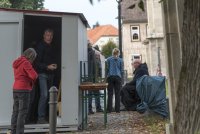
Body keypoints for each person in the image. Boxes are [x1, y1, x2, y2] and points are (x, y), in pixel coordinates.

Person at [11, 48, 38, 134]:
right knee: (22, 113)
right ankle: (19, 132)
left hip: (15, 89)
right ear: (31, 56)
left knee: (15, 111)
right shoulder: (26, 63)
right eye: (33, 58)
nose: (33, 61)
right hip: (23, 90)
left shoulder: (17, 62)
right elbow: (34, 76)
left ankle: (13, 131)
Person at [35, 29, 57, 123]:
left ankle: (48, 116)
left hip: (51, 74)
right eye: (47, 35)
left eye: (51, 35)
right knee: (44, 95)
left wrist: (55, 65)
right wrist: (47, 66)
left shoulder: (52, 46)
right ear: (44, 36)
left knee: (50, 96)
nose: (49, 37)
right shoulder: (40, 46)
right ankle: (40, 118)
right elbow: (36, 63)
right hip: (42, 74)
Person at [106, 48, 123, 113]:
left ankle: (109, 109)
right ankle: (117, 109)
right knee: (117, 93)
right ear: (118, 53)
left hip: (110, 77)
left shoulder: (108, 59)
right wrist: (122, 79)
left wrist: (105, 78)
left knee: (110, 93)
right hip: (118, 77)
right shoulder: (121, 60)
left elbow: (107, 69)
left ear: (112, 52)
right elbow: (121, 70)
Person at [87, 43, 103, 114]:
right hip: (95, 76)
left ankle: (90, 109)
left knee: (90, 93)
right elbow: (99, 67)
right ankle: (98, 108)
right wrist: (100, 76)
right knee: (97, 93)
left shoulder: (85, 54)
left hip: (89, 76)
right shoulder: (96, 53)